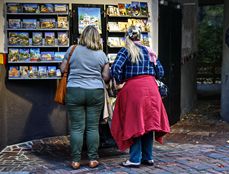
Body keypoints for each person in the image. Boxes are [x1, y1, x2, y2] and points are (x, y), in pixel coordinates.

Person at [110, 26, 170, 168]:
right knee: (148, 124)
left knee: (135, 123)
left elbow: (115, 69)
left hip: (134, 90)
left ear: (127, 37)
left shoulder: (125, 51)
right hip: (151, 90)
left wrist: (119, 81)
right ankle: (148, 157)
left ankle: (134, 159)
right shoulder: (149, 51)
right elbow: (160, 72)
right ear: (140, 37)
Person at [60, 25, 110, 169]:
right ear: (96, 38)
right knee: (92, 127)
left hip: (74, 90)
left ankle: (76, 161)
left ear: (82, 36)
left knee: (76, 128)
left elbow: (63, 69)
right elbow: (106, 77)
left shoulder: (72, 50)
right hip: (95, 92)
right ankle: (93, 159)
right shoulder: (101, 55)